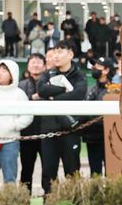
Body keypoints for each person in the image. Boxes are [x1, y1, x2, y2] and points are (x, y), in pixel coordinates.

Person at [37, 41, 87, 195]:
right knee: (48, 170)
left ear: (70, 54)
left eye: (60, 52)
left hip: (70, 131)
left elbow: (78, 94)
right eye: (54, 52)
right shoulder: (49, 73)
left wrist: (54, 96)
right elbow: (42, 90)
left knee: (72, 170)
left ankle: (74, 200)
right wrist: (63, 89)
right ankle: (49, 200)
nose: (56, 56)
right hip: (48, 130)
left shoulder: (79, 76)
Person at [0, 60, 33, 205]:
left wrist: (14, 125)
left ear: (12, 74)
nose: (0, 73)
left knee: (9, 177)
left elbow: (27, 115)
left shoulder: (19, 94)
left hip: (9, 142)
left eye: (5, 71)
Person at [19, 53, 47, 194]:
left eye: (38, 62)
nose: (35, 65)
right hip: (27, 135)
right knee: (26, 169)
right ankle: (23, 199)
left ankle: (48, 199)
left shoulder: (50, 83)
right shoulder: (20, 86)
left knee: (48, 168)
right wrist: (32, 98)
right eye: (32, 62)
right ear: (28, 66)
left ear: (45, 66)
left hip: (47, 133)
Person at [82, 57, 114, 175]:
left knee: (112, 172)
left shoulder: (115, 90)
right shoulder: (90, 89)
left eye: (97, 66)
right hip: (92, 137)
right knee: (95, 173)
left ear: (106, 70)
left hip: (110, 137)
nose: (94, 69)